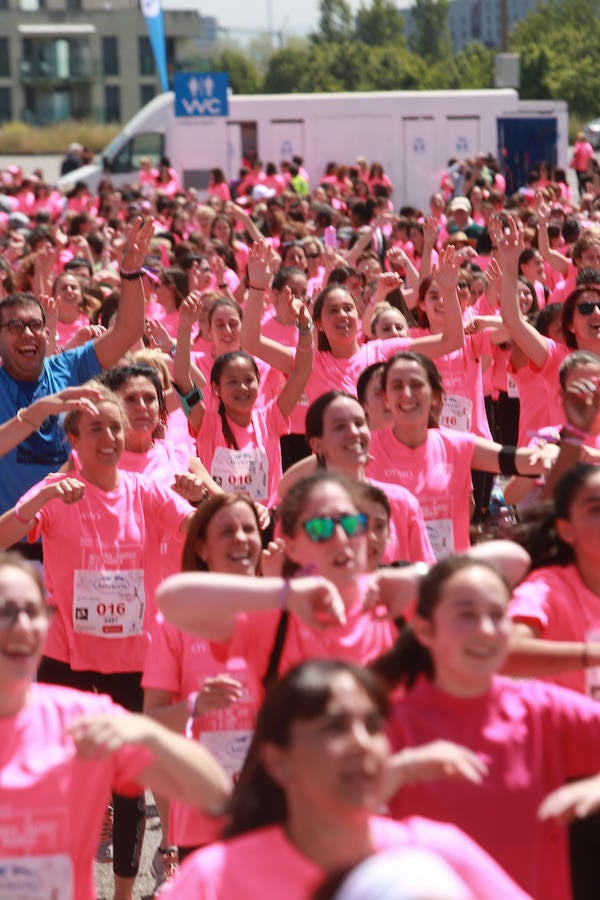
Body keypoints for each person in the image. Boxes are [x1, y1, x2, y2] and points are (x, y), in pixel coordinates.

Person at [0, 383, 196, 900]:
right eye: (96, 429)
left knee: (130, 787)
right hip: (66, 657)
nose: (109, 437)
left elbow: (198, 528)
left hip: (133, 659)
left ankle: (125, 893)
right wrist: (41, 496)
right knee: (58, 773)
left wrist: (227, 508)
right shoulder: (56, 491)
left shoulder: (146, 491)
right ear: (74, 441)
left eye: (115, 427)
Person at [160, 659, 530, 899]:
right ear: (278, 762)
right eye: (334, 727)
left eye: (372, 725)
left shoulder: (436, 853)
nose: (361, 743)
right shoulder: (213, 879)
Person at [0, 550, 229, 900]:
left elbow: (214, 794)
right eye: (5, 612)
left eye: (32, 612)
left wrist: (145, 730)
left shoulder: (84, 717)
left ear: (48, 623)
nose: (20, 625)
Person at [378, 555, 600, 900]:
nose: (484, 629)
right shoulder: (389, 725)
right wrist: (397, 772)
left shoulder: (544, 710)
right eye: (466, 615)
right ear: (423, 629)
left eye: (497, 616)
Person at [0, 217, 153, 520]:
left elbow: (128, 331)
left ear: (47, 333)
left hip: (70, 539)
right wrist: (37, 413)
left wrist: (131, 271)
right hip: (9, 544)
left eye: (35, 325)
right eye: (15, 326)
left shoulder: (70, 366)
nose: (28, 334)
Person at [142, 495, 262, 875]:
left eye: (249, 529)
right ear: (201, 548)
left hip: (272, 805)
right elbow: (153, 723)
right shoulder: (175, 624)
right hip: (203, 809)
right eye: (227, 531)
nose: (241, 539)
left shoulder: (284, 615)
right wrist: (195, 705)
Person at [366, 351, 551, 557]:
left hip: (448, 577)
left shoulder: (457, 445)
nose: (407, 393)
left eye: (417, 385)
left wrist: (560, 444)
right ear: (385, 397)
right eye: (397, 386)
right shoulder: (365, 449)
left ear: (436, 396)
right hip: (393, 579)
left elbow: (525, 462)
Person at [277, 391, 435, 565]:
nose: (353, 432)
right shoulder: (300, 511)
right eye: (339, 427)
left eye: (359, 424)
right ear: (316, 444)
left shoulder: (402, 502)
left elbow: (426, 576)